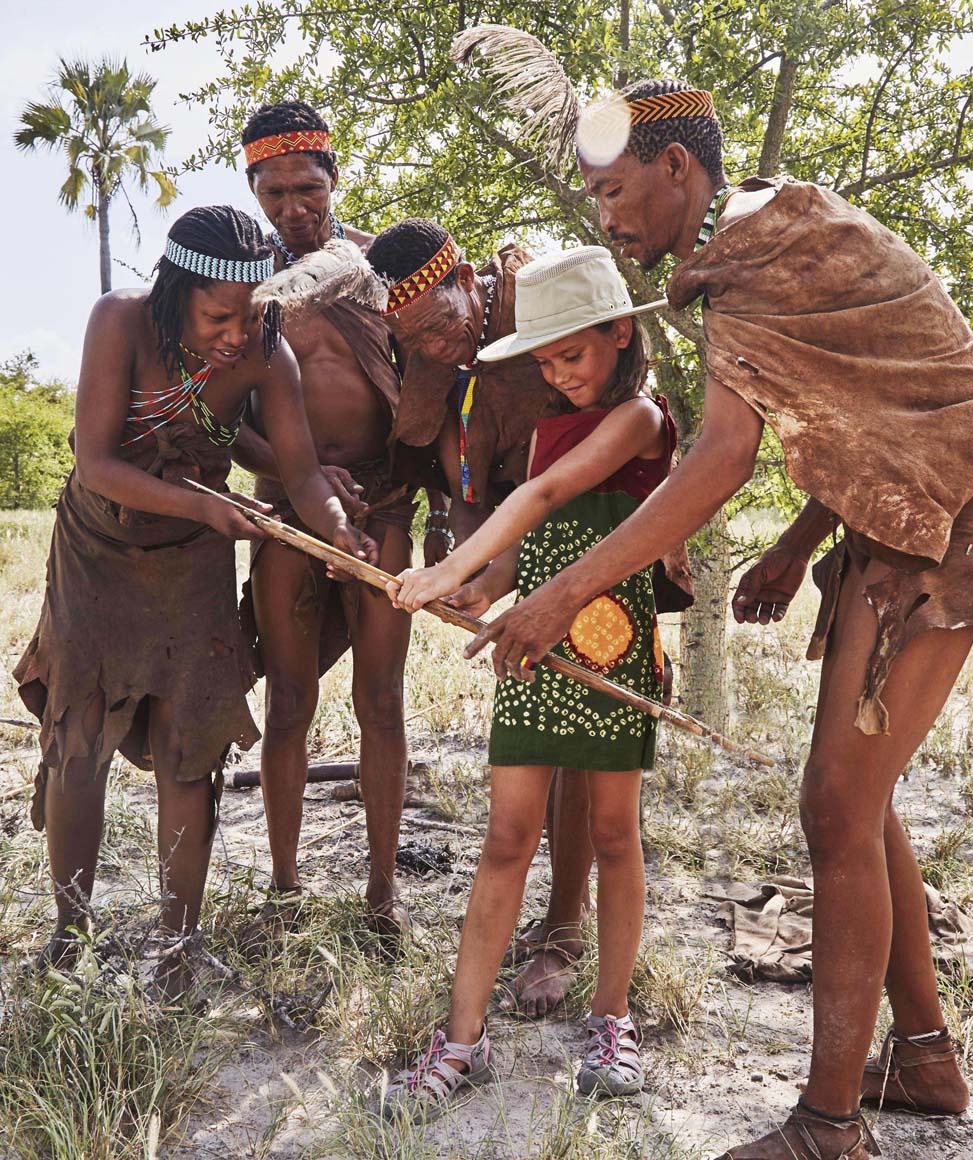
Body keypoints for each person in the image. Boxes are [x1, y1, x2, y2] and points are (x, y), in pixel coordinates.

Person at [463, 77, 973, 1158]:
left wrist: (561, 594)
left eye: (616, 193)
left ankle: (827, 1124)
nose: (607, 221)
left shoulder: (756, 245)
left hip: (956, 530)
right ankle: (928, 1056)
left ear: (675, 170)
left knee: (835, 808)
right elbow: (873, 395)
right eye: (592, 200)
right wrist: (799, 542)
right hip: (905, 525)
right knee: (861, 797)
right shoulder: (755, 239)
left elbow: (719, 458)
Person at [13, 205, 374, 994]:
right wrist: (212, 506)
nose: (239, 333)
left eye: (252, 314)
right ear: (177, 294)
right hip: (97, 557)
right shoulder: (120, 323)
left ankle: (179, 943)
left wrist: (340, 530)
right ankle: (71, 933)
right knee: (80, 742)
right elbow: (97, 464)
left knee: (191, 747)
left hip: (193, 569)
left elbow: (304, 473)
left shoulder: (267, 354)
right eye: (221, 316)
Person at [376, 245, 673, 1119]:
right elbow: (522, 548)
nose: (559, 374)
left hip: (612, 649)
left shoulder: (641, 422)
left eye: (571, 355)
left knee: (616, 837)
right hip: (534, 659)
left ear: (621, 334)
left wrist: (455, 560)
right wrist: (472, 585)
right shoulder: (547, 427)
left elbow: (542, 499)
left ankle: (611, 1019)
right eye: (544, 361)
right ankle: (461, 1038)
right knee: (508, 837)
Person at [233, 102, 432, 941]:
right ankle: (284, 889)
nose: (293, 208)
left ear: (335, 179)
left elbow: (429, 386)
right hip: (284, 517)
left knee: (381, 702)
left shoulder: (379, 276)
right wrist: (299, 475)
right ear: (252, 190)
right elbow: (221, 417)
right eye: (273, 192)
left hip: (380, 511)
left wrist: (393, 486)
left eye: (307, 188)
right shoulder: (241, 286)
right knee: (289, 700)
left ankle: (382, 896)